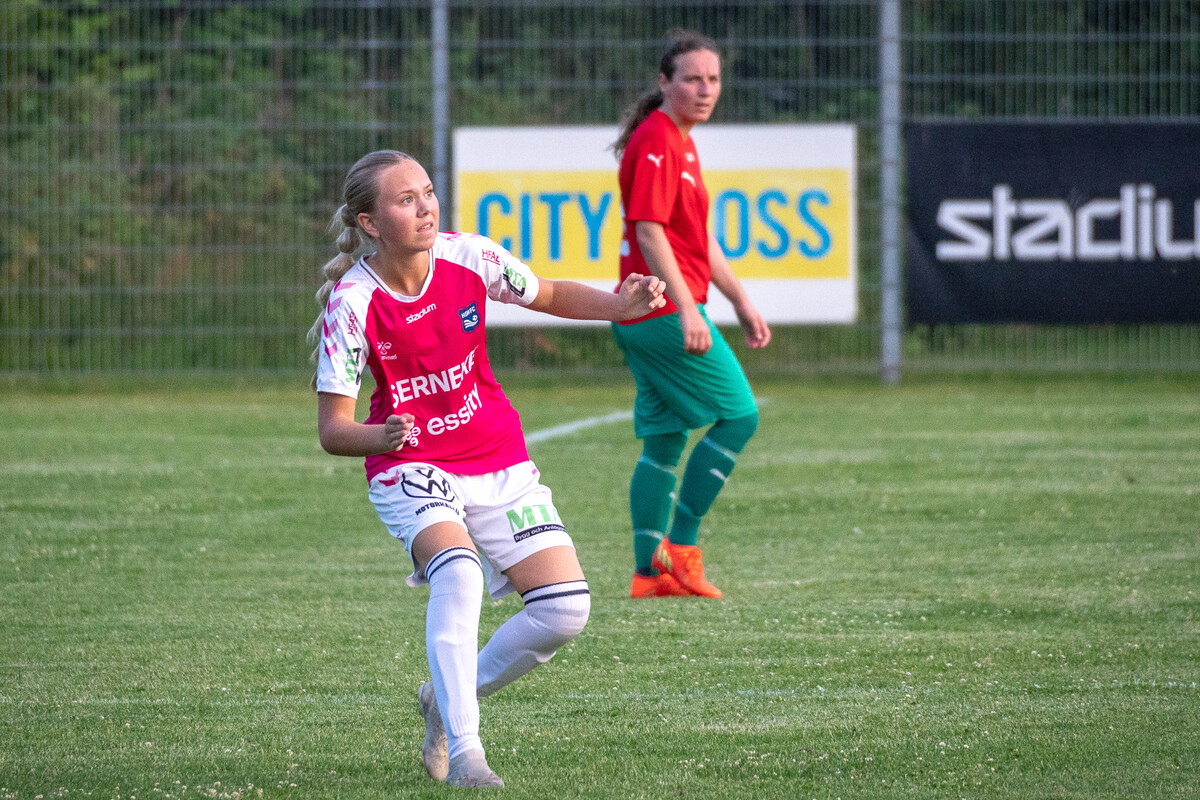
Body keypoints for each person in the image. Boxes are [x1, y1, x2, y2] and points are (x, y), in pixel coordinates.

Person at [307, 150, 665, 787]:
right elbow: (334, 430)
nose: (425, 208)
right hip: (410, 463)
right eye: (405, 200)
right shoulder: (353, 301)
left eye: (427, 192)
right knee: (460, 570)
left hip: (496, 454)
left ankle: (443, 699)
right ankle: (467, 753)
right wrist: (380, 434)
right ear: (369, 223)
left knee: (564, 610)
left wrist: (619, 306)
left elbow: (547, 293)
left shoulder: (470, 256)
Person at [610, 31, 771, 600]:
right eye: (692, 79)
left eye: (713, 79)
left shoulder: (679, 140)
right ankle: (680, 549)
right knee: (740, 417)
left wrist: (740, 300)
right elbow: (649, 232)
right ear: (665, 83)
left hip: (643, 313)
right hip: (658, 312)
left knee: (664, 440)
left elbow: (696, 237)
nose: (705, 90)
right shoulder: (658, 140)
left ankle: (648, 575)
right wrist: (688, 309)